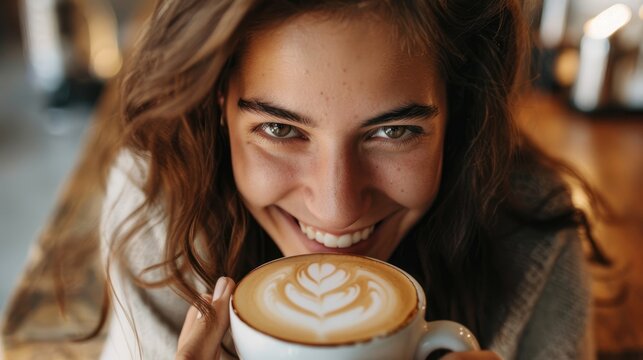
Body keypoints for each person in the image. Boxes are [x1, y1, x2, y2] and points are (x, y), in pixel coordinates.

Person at [95, 0, 595, 359]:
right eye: (280, 129)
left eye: (394, 130)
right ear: (217, 102)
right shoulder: (158, 219)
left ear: (459, 113)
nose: (337, 210)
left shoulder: (535, 239)